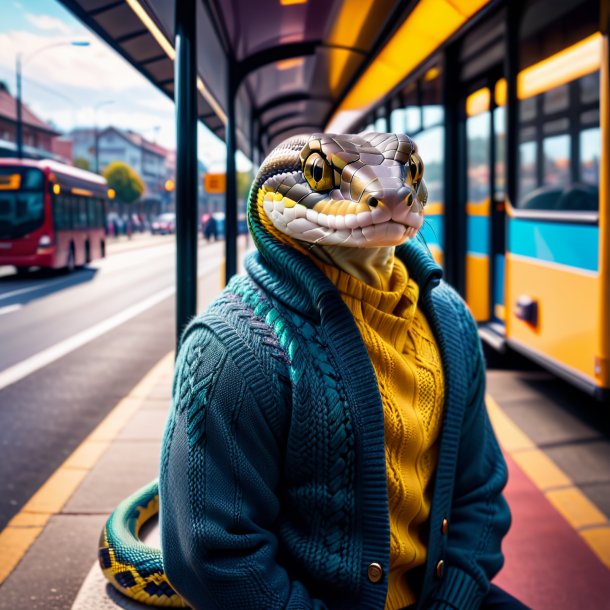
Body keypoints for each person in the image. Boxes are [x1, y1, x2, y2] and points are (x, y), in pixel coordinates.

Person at [159, 133, 526, 609]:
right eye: (318, 175)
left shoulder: (451, 319)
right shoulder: (229, 351)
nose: (391, 196)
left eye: (409, 174)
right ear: (267, 198)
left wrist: (452, 601)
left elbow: (480, 491)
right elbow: (212, 558)